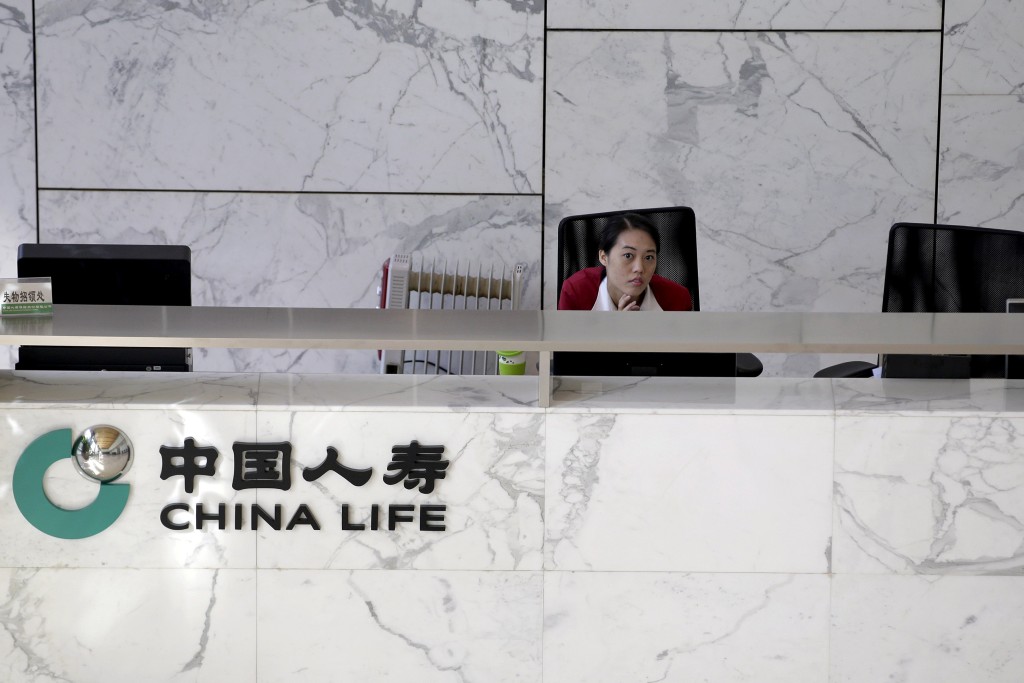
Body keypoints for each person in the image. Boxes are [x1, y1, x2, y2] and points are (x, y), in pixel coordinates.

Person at [557, 213, 692, 311]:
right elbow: (567, 349)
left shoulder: (677, 298)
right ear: (604, 257)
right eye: (628, 255)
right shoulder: (577, 291)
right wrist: (617, 329)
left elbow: (683, 349)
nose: (639, 268)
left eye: (649, 257)